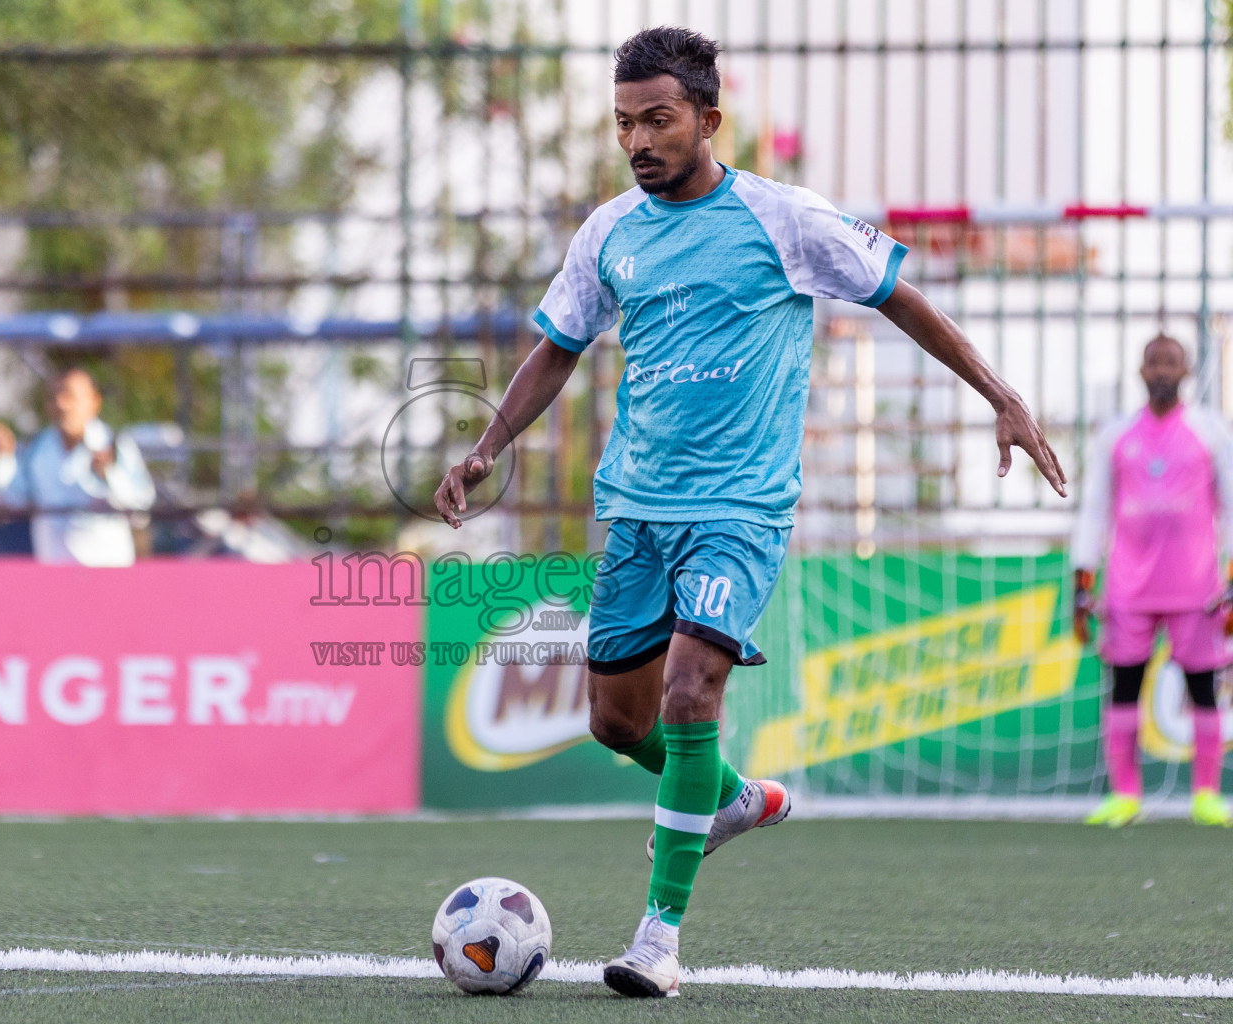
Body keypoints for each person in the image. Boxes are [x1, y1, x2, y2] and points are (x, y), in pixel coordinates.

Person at [432, 26, 1066, 999]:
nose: (639, 140)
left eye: (659, 119)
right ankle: (732, 798)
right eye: (624, 124)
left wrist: (1000, 393)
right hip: (636, 507)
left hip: (741, 508)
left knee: (692, 693)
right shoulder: (609, 233)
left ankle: (657, 939)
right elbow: (558, 345)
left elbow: (901, 295)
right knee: (614, 721)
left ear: (708, 120)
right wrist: (488, 445)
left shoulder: (787, 219)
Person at [1072, 334, 1233, 829]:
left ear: (1185, 372)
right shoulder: (1114, 435)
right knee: (1124, 687)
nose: (1162, 370)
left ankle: (1206, 795)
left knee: (1203, 689)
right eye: (1153, 363)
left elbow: (1230, 506)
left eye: (1171, 363)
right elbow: (1095, 509)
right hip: (1128, 588)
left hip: (1197, 588)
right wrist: (1083, 580)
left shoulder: (1210, 431)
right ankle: (1125, 796)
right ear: (1141, 372)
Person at [0, 367, 156, 567]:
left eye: (70, 396)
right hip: (54, 580)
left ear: (94, 401)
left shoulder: (116, 445)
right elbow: (7, 503)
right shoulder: (37, 450)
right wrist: (0, 460)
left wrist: (110, 475)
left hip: (108, 577)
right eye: (54, 396)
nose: (61, 404)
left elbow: (142, 512)